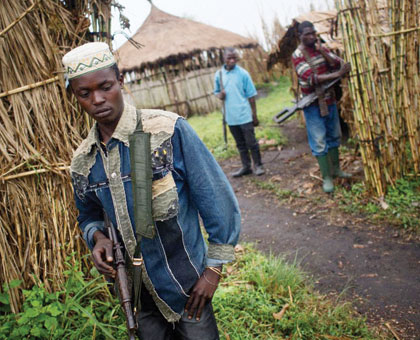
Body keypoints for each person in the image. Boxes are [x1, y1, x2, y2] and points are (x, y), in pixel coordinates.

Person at [63, 42, 241, 340]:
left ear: (121, 81)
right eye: (85, 93)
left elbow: (217, 203)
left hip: (189, 289)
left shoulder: (167, 132)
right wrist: (97, 238)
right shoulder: (84, 162)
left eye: (106, 86)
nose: (97, 99)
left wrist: (214, 270)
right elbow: (87, 216)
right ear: (75, 97)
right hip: (136, 296)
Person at [292, 21, 352, 193]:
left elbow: (336, 63)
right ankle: (326, 177)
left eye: (313, 33)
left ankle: (336, 170)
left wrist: (324, 53)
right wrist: (338, 74)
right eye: (307, 34)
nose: (311, 37)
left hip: (329, 100)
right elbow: (312, 78)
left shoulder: (321, 48)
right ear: (300, 36)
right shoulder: (297, 54)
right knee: (319, 141)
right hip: (312, 104)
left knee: (334, 135)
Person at [214, 47, 265, 177]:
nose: (232, 60)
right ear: (223, 59)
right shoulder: (219, 75)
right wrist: (221, 95)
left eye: (234, 58)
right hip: (230, 117)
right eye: (229, 58)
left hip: (244, 115)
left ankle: (258, 165)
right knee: (240, 144)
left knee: (251, 142)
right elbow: (216, 93)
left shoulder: (243, 73)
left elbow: (251, 96)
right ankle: (246, 167)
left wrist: (254, 115)